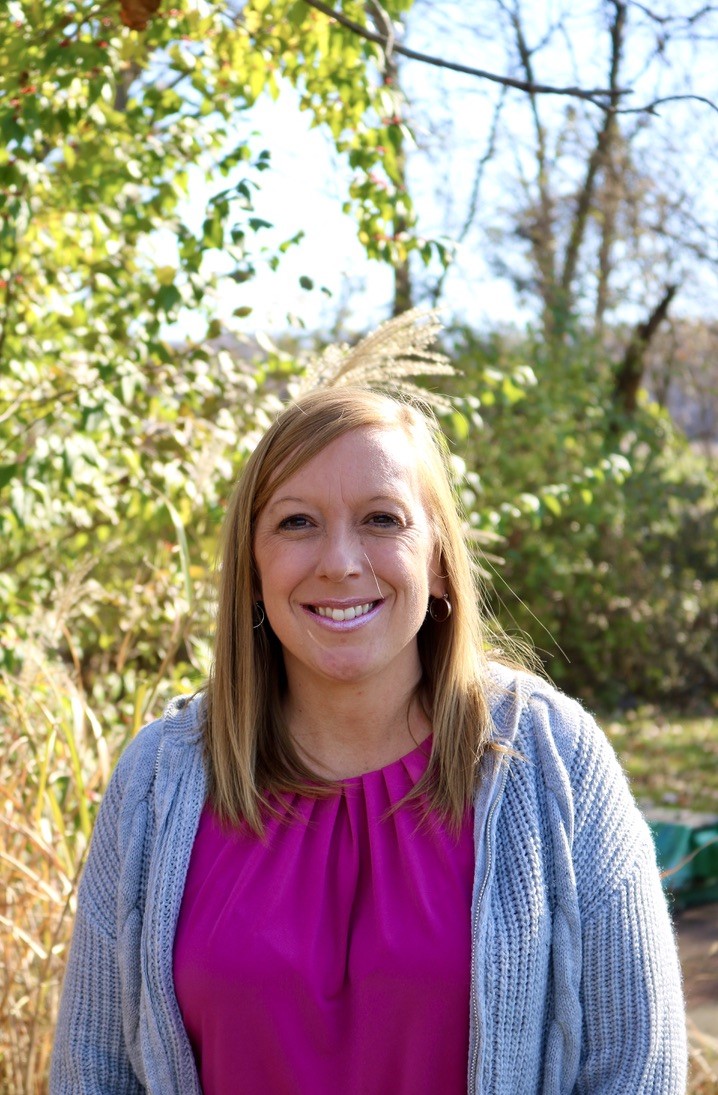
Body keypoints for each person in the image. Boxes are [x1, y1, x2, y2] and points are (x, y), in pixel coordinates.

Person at [51, 386, 687, 1094]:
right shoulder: (158, 781)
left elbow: (637, 1069)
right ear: (253, 570)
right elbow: (93, 1071)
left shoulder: (553, 760)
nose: (341, 561)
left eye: (382, 518)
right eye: (297, 523)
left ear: (440, 560)